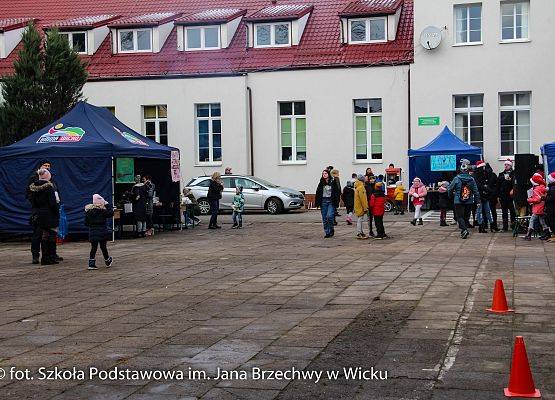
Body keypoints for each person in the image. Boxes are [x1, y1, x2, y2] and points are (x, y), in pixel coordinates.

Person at [28, 169, 60, 265]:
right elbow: (52, 203)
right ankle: (49, 257)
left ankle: (45, 257)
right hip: (49, 214)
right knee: (50, 235)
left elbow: (32, 201)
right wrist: (56, 212)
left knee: (43, 236)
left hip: (38, 214)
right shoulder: (49, 187)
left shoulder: (33, 188)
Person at [26, 160, 51, 264]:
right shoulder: (33, 178)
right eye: (45, 165)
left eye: (49, 165)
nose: (47, 167)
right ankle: (35, 255)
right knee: (37, 234)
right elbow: (28, 194)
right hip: (38, 211)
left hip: (49, 211)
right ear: (40, 167)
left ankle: (50, 254)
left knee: (49, 234)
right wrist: (37, 204)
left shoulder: (51, 178)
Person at [448, 159, 479, 239]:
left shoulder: (456, 178)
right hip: (469, 201)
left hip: (458, 200)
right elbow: (476, 191)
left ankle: (464, 230)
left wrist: (451, 196)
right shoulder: (472, 179)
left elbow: (450, 188)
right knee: (466, 217)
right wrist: (477, 201)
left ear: (461, 170)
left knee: (459, 217)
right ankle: (463, 230)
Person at [85, 194, 114, 270]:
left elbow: (86, 223)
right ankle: (107, 260)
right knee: (103, 247)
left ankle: (91, 264)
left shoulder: (88, 212)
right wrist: (107, 204)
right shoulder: (103, 212)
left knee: (93, 248)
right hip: (102, 232)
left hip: (93, 232)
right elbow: (111, 213)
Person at [315, 169, 340, 238]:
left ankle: (331, 229)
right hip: (323, 201)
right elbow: (318, 193)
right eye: (323, 174)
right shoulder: (321, 182)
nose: (324, 174)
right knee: (324, 218)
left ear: (328, 174)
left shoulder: (333, 182)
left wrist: (337, 202)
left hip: (331, 201)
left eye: (325, 173)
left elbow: (336, 192)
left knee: (329, 216)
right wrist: (317, 203)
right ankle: (327, 232)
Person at [473, 160, 497, 233]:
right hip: (481, 195)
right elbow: (480, 185)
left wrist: (486, 188)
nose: (484, 168)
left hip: (482, 195)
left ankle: (484, 226)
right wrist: (487, 189)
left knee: (485, 211)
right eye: (483, 166)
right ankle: (485, 226)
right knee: (483, 211)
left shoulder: (479, 174)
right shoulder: (478, 175)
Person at [524, 173, 549, 241]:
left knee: (532, 220)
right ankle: (547, 233)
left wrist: (529, 200)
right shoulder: (542, 187)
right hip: (542, 207)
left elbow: (538, 199)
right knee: (542, 221)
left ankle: (528, 235)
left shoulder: (536, 189)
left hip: (537, 208)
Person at [497, 159, 516, 231]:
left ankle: (513, 226)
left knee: (512, 212)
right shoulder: (501, 174)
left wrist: (513, 189)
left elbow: (516, 184)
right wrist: (498, 196)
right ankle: (505, 227)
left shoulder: (514, 174)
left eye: (507, 165)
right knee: (504, 212)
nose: (506, 166)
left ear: (510, 166)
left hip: (511, 196)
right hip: (503, 196)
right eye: (505, 164)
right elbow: (498, 184)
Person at [354, 174, 369, 239]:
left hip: (358, 205)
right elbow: (363, 199)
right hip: (360, 206)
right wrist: (365, 207)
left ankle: (361, 232)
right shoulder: (361, 187)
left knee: (360, 219)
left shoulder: (357, 186)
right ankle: (359, 233)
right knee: (360, 219)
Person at [485, 164, 500, 231]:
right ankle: (494, 225)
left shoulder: (484, 175)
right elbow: (497, 186)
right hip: (493, 196)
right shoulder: (493, 175)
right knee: (493, 212)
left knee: (486, 212)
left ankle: (486, 225)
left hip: (486, 196)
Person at [545, 172, 555, 242]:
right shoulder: (551, 187)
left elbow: (552, 198)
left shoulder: (553, 188)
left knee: (553, 222)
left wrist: (544, 198)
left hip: (552, 208)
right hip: (551, 208)